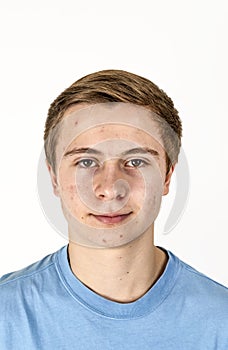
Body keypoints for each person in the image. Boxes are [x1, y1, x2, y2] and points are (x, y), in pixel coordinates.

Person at [0, 70, 227, 349]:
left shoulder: (221, 322)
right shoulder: (6, 317)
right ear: (55, 178)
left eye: (135, 162)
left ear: (167, 176)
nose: (110, 188)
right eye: (85, 162)